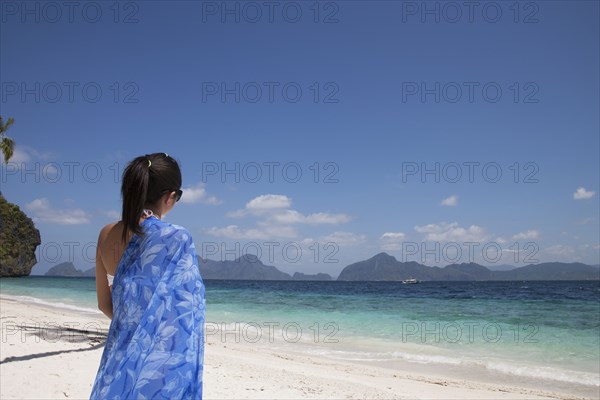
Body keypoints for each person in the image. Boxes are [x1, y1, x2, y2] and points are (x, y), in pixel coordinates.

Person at [90, 153, 205, 399]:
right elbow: (185, 316)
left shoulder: (105, 234)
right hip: (158, 365)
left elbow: (104, 304)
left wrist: (134, 328)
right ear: (170, 197)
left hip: (118, 357)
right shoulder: (177, 238)